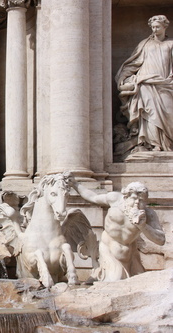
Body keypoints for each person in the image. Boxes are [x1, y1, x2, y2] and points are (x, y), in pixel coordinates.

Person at [71, 179, 165, 282]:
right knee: (114, 281)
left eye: (141, 200)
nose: (137, 202)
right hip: (108, 249)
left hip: (130, 254)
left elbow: (161, 240)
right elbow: (92, 197)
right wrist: (75, 184)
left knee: (138, 283)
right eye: (134, 198)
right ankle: (101, 272)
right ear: (126, 197)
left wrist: (143, 226)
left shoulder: (149, 214)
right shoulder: (115, 199)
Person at [115, 15, 173, 152]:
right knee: (149, 113)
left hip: (166, 84)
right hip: (146, 83)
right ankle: (153, 144)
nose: (154, 29)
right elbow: (134, 63)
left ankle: (167, 144)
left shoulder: (171, 44)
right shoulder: (145, 44)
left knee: (168, 112)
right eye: (152, 27)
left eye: (157, 26)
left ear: (165, 26)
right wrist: (123, 77)